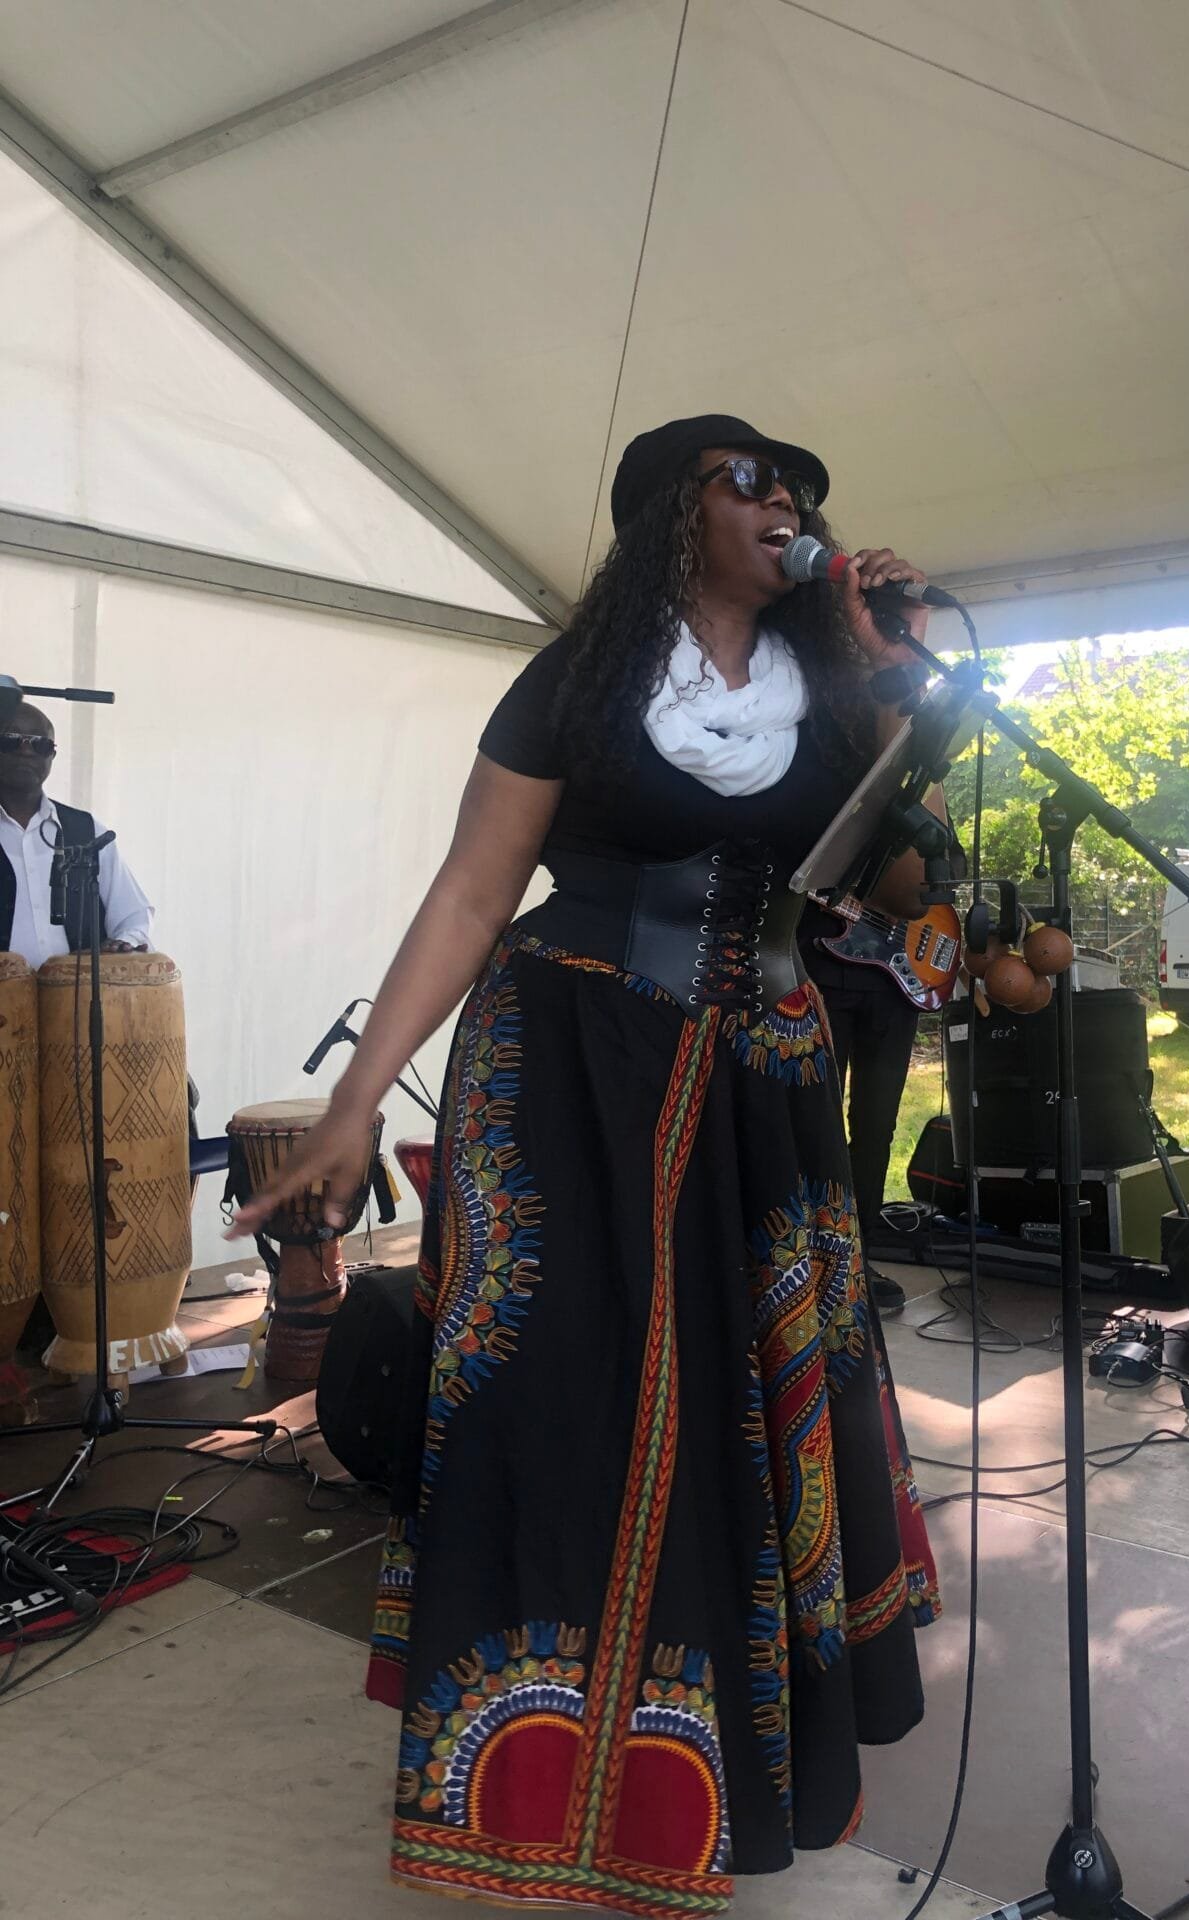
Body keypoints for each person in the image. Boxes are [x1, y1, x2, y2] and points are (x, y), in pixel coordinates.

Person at [229, 415, 943, 1917]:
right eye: (749, 479)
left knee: (746, 1416)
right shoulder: (586, 680)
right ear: (667, 518)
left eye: (801, 487)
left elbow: (899, 884)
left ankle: (722, 1776)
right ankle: (547, 1786)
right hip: (569, 1078)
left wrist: (892, 683)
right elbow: (475, 885)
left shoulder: (837, 690)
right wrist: (358, 1100)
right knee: (569, 1412)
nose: (788, 503)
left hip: (762, 1094)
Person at [798, 908, 917, 1317]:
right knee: (814, 1125)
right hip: (818, 973)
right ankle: (807, 1261)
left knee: (877, 1129)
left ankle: (858, 1262)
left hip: (895, 985)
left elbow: (944, 867)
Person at [0, 701, 152, 966]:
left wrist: (122, 942)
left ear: (52, 756)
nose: (26, 751)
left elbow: (134, 915)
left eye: (40, 744)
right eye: (12, 740)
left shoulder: (86, 830)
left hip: (76, 1001)